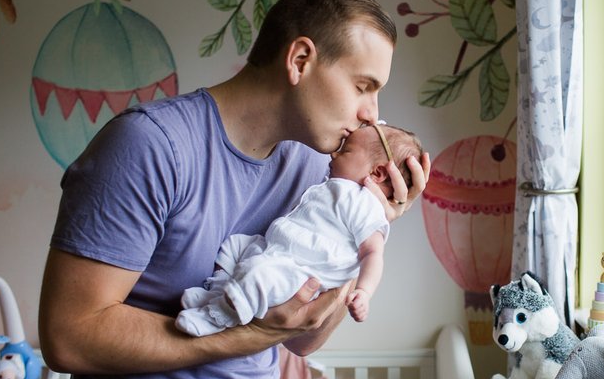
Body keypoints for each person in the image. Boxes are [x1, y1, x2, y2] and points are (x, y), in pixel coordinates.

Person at [38, 0, 430, 379]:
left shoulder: (313, 171)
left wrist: (362, 233)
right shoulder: (150, 148)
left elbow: (303, 336)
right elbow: (68, 334)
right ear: (300, 59)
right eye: (364, 85)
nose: (373, 113)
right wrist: (246, 336)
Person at [177, 123, 423, 336]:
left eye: (345, 151)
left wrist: (363, 292)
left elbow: (372, 253)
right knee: (234, 246)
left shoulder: (365, 204)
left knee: (259, 274)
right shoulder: (332, 185)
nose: (334, 156)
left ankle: (217, 318)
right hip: (274, 248)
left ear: (377, 172)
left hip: (300, 271)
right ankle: (219, 293)